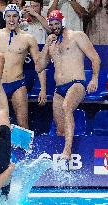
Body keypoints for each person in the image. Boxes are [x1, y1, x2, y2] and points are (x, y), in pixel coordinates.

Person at [37, 10, 100, 160]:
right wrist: (46, 46)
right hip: (59, 89)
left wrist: (95, 78)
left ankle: (67, 151)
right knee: (60, 129)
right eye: (51, 25)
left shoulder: (77, 36)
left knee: (67, 107)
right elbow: (39, 67)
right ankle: (64, 163)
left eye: (57, 24)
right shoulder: (52, 43)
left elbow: (95, 58)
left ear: (62, 22)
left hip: (76, 83)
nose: (54, 27)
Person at [0, 4, 47, 128]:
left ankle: (26, 148)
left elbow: (39, 65)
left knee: (23, 123)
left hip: (17, 83)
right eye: (9, 16)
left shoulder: (28, 38)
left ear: (19, 17)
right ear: (4, 17)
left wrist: (43, 89)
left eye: (15, 16)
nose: (11, 19)